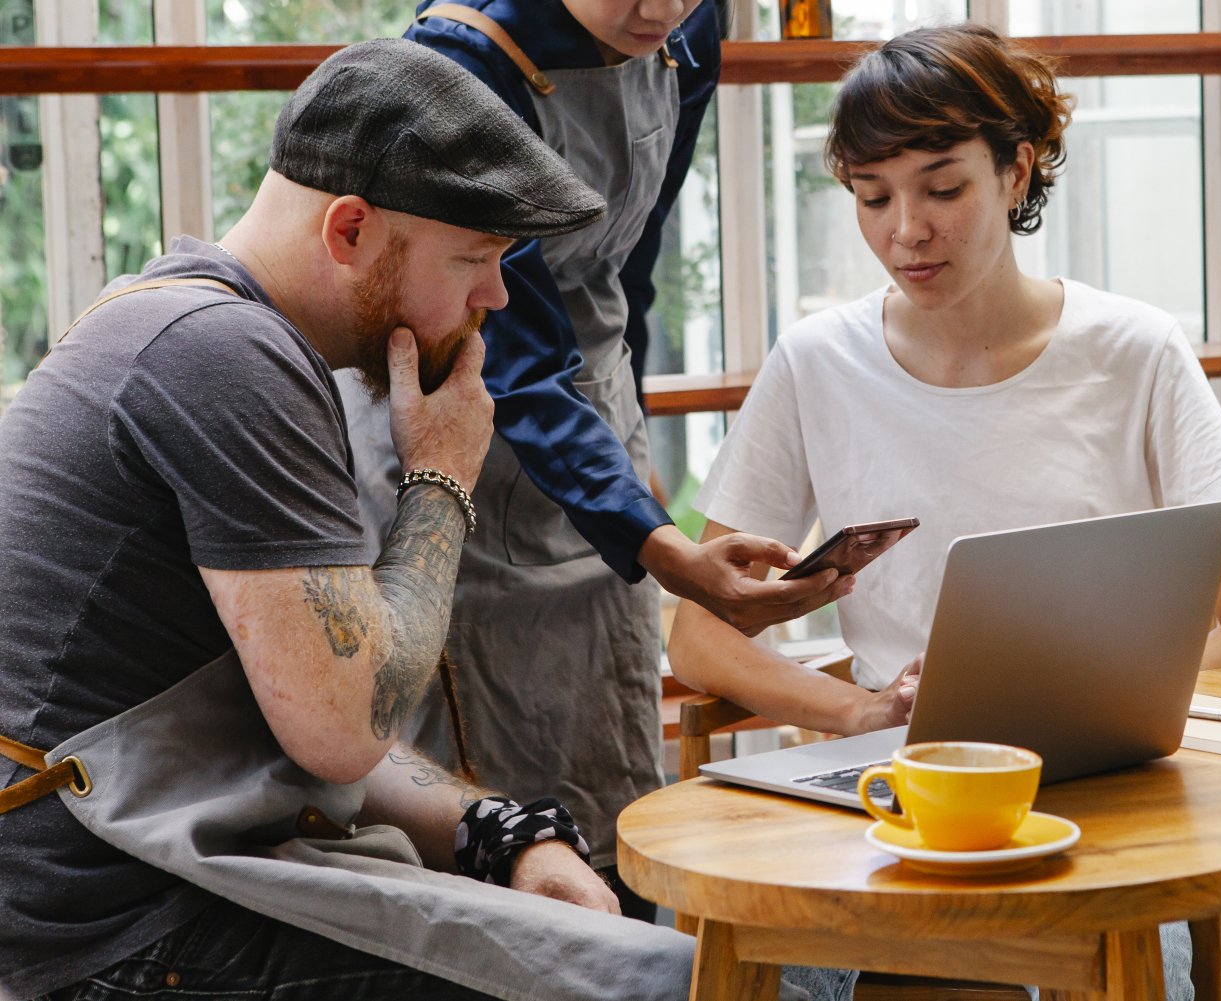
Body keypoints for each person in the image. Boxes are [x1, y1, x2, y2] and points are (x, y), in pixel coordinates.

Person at [0, 40, 812, 1001]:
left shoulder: (180, 319)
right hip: (114, 924)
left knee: (710, 963)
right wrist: (442, 477)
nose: (497, 298)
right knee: (701, 983)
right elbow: (344, 730)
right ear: (348, 230)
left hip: (153, 870)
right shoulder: (222, 356)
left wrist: (497, 832)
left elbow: (309, 701)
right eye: (473, 258)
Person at [668, 24, 1221, 996]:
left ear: (1016, 171)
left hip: (1095, 791)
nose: (907, 229)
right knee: (859, 952)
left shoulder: (1138, 352)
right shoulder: (816, 362)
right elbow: (698, 631)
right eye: (873, 197)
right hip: (895, 793)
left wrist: (1096, 703)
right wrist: (860, 708)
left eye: (943, 188)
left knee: (1086, 945)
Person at [335, 0, 842, 913]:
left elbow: (630, 264)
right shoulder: (464, 60)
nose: (659, 9)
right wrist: (664, 545)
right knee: (491, 767)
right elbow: (517, 351)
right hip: (470, 402)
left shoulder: (690, 30)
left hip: (595, 403)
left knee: (607, 736)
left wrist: (631, 468)